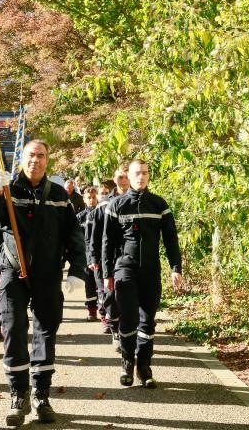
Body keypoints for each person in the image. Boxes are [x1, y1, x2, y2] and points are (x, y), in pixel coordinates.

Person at [0, 140, 86, 426]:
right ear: (22, 158)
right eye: (31, 155)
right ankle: (19, 394)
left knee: (46, 332)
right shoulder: (7, 189)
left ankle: (41, 394)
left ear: (47, 160)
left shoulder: (58, 195)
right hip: (12, 272)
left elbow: (73, 235)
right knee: (14, 329)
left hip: (47, 275)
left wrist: (78, 269)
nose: (36, 160)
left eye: (41, 155)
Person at [102, 159, 182, 388]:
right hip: (124, 268)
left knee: (147, 320)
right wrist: (108, 273)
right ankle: (127, 361)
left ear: (149, 175)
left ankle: (144, 367)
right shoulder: (116, 205)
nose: (141, 177)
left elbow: (170, 239)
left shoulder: (159, 204)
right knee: (129, 318)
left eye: (145, 173)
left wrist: (176, 267)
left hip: (151, 269)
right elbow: (107, 242)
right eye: (137, 173)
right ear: (128, 175)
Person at [89, 165, 130, 346]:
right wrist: (93, 258)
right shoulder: (105, 204)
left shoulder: (138, 200)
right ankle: (115, 329)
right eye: (120, 177)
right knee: (110, 295)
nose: (123, 180)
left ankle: (128, 331)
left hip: (129, 257)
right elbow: (96, 234)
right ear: (114, 179)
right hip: (108, 257)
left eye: (126, 177)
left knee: (129, 296)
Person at [76, 185, 99, 321]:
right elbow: (76, 238)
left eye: (94, 198)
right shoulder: (80, 217)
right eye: (89, 198)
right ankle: (91, 310)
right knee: (89, 283)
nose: (91, 200)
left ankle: (104, 312)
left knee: (100, 283)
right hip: (86, 256)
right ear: (84, 200)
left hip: (99, 255)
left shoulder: (102, 213)